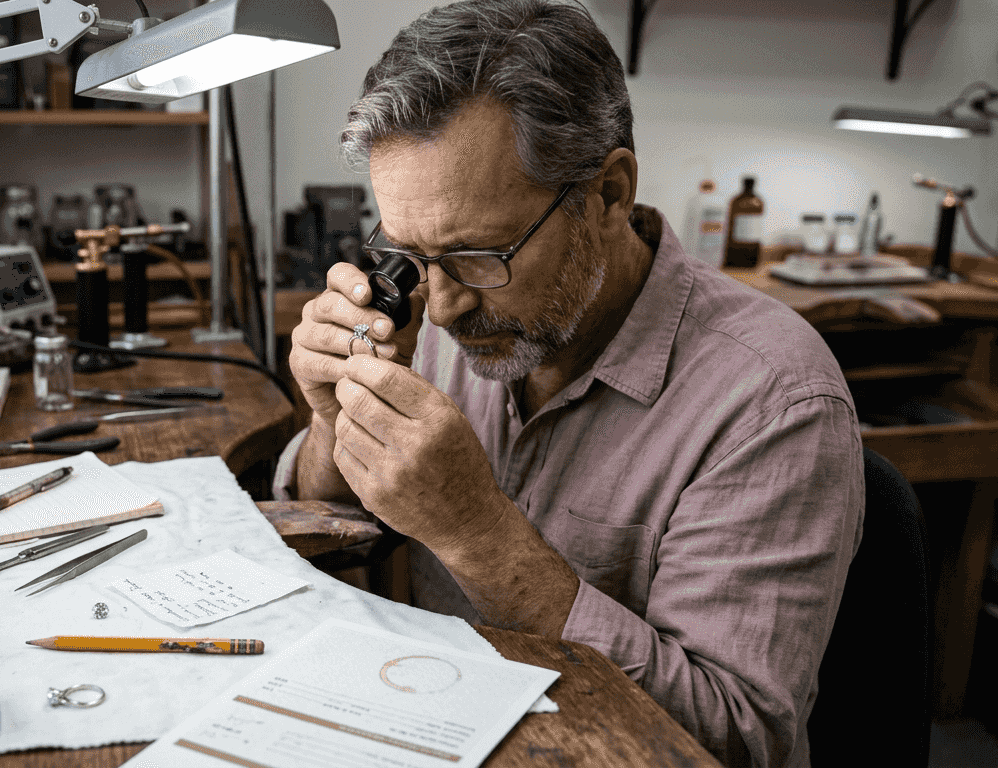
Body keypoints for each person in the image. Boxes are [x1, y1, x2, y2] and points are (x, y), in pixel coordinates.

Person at [274, 2, 864, 766]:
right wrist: (331, 423)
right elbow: (332, 523)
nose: (444, 306)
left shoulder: (773, 402)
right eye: (410, 252)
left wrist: (476, 532)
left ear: (610, 194)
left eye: (481, 252)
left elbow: (734, 741)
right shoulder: (458, 316)